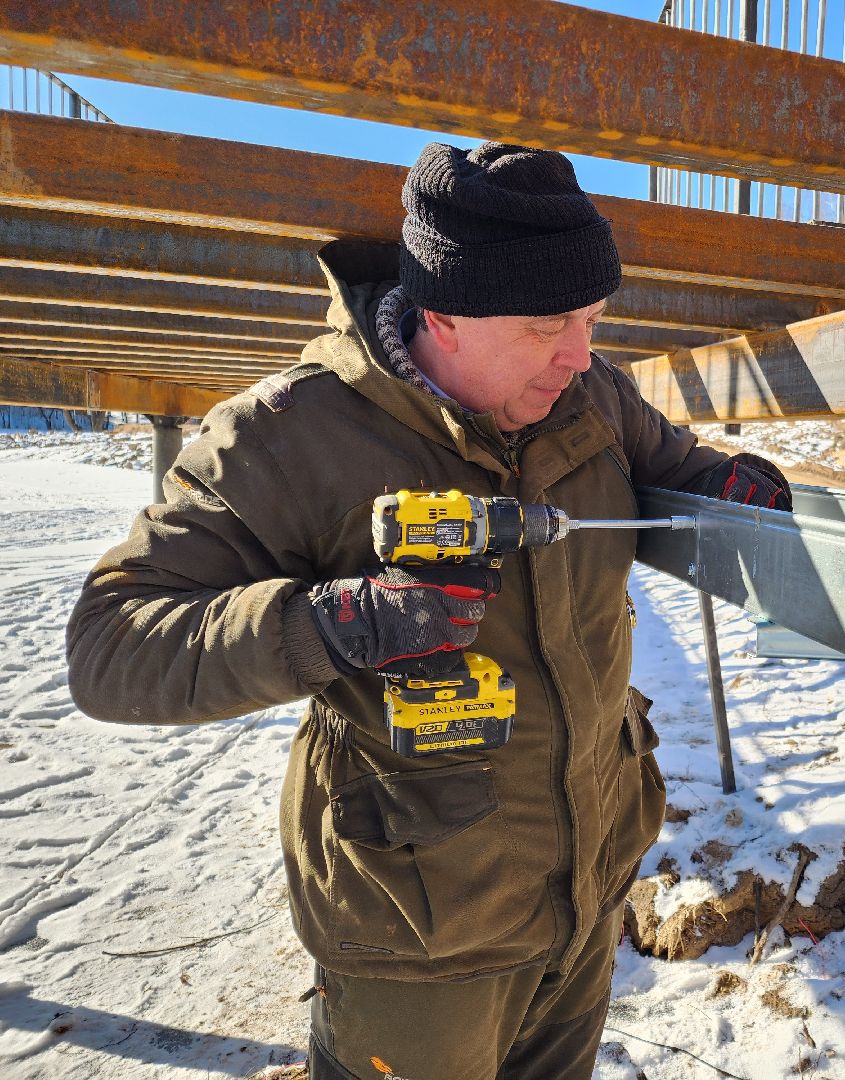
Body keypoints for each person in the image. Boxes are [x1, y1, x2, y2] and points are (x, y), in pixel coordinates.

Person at [66, 141, 790, 1080]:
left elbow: (686, 471)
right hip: (418, 934)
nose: (580, 354)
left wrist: (742, 487)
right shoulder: (289, 436)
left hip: (590, 888)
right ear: (441, 315)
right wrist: (327, 624)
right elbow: (110, 648)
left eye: (594, 319)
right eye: (546, 325)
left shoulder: (591, 396)